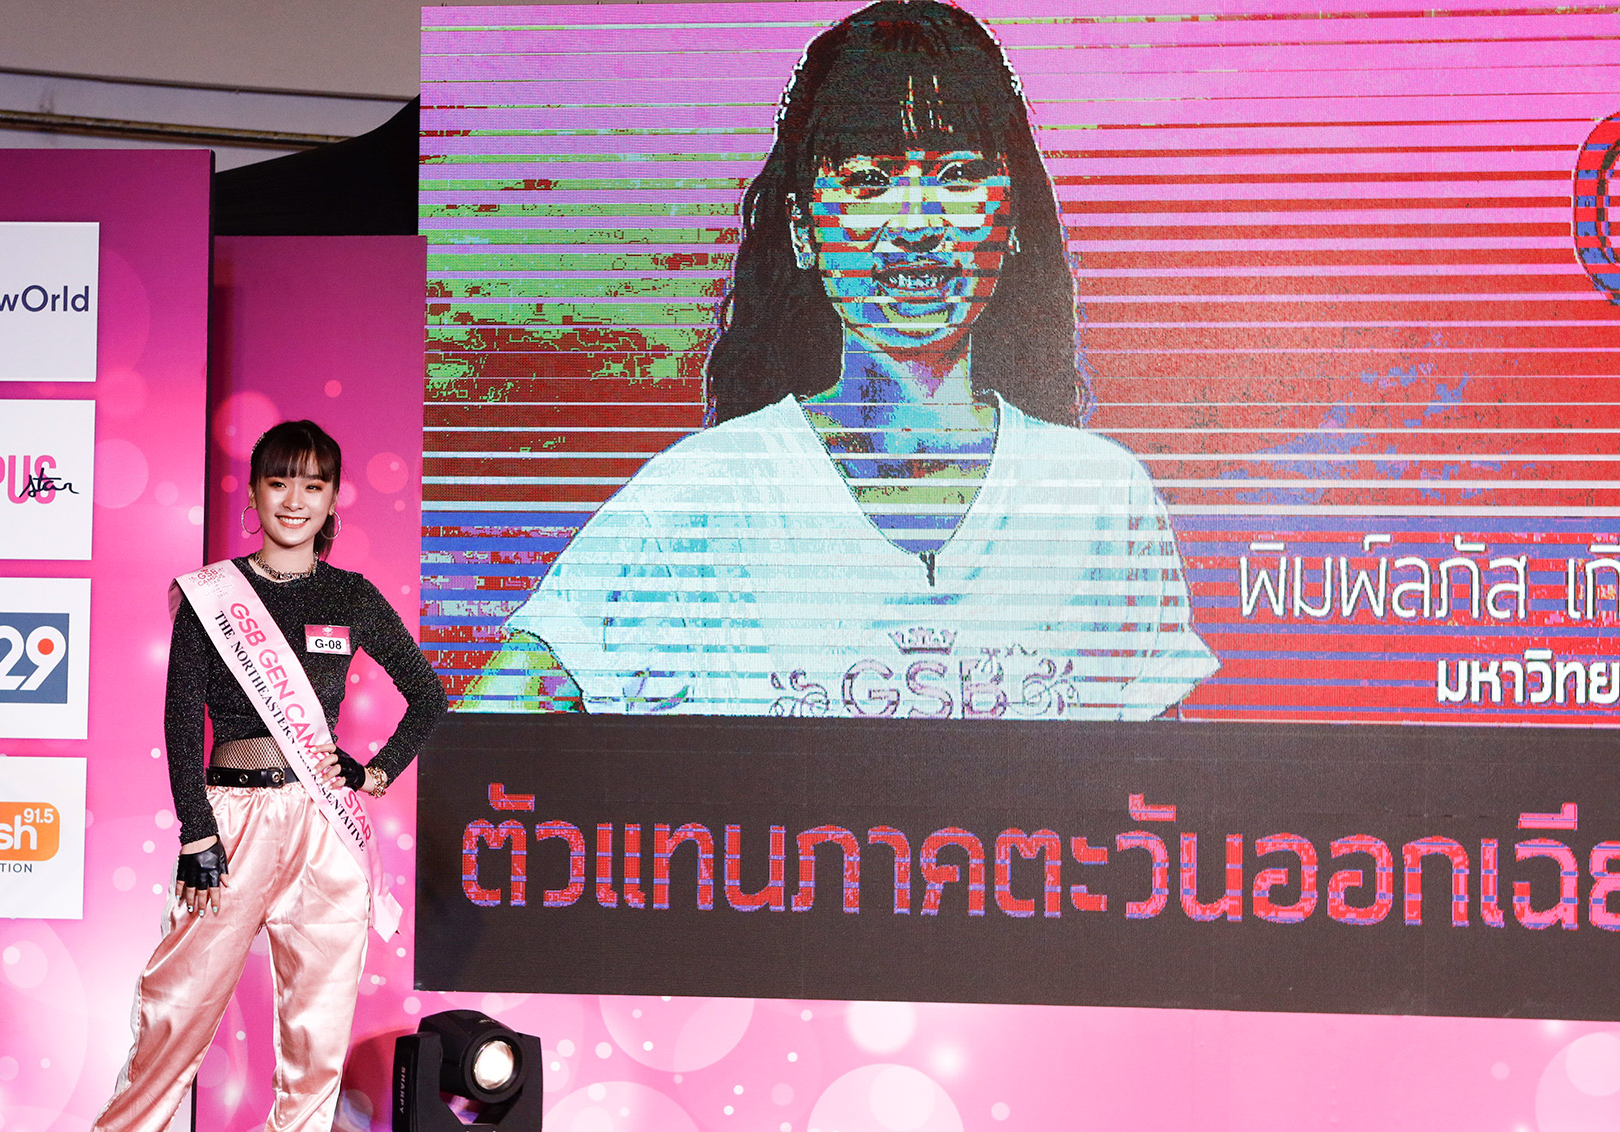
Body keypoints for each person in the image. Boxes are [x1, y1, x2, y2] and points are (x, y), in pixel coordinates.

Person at [475, 0, 1216, 720]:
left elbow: (1165, 791)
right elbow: (493, 729)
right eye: (868, 180)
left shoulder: (1101, 498)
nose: (917, 224)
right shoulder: (700, 499)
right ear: (803, 230)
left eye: (958, 175)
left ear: (1013, 216)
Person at [22, 420, 447, 1132]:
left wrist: (374, 772)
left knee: (314, 1037)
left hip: (324, 835)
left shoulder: (350, 596)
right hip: (232, 820)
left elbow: (428, 694)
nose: (295, 500)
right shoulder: (213, 596)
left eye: (314, 485)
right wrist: (196, 831)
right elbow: (183, 719)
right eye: (279, 482)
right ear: (252, 493)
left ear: (332, 500)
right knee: (171, 1018)